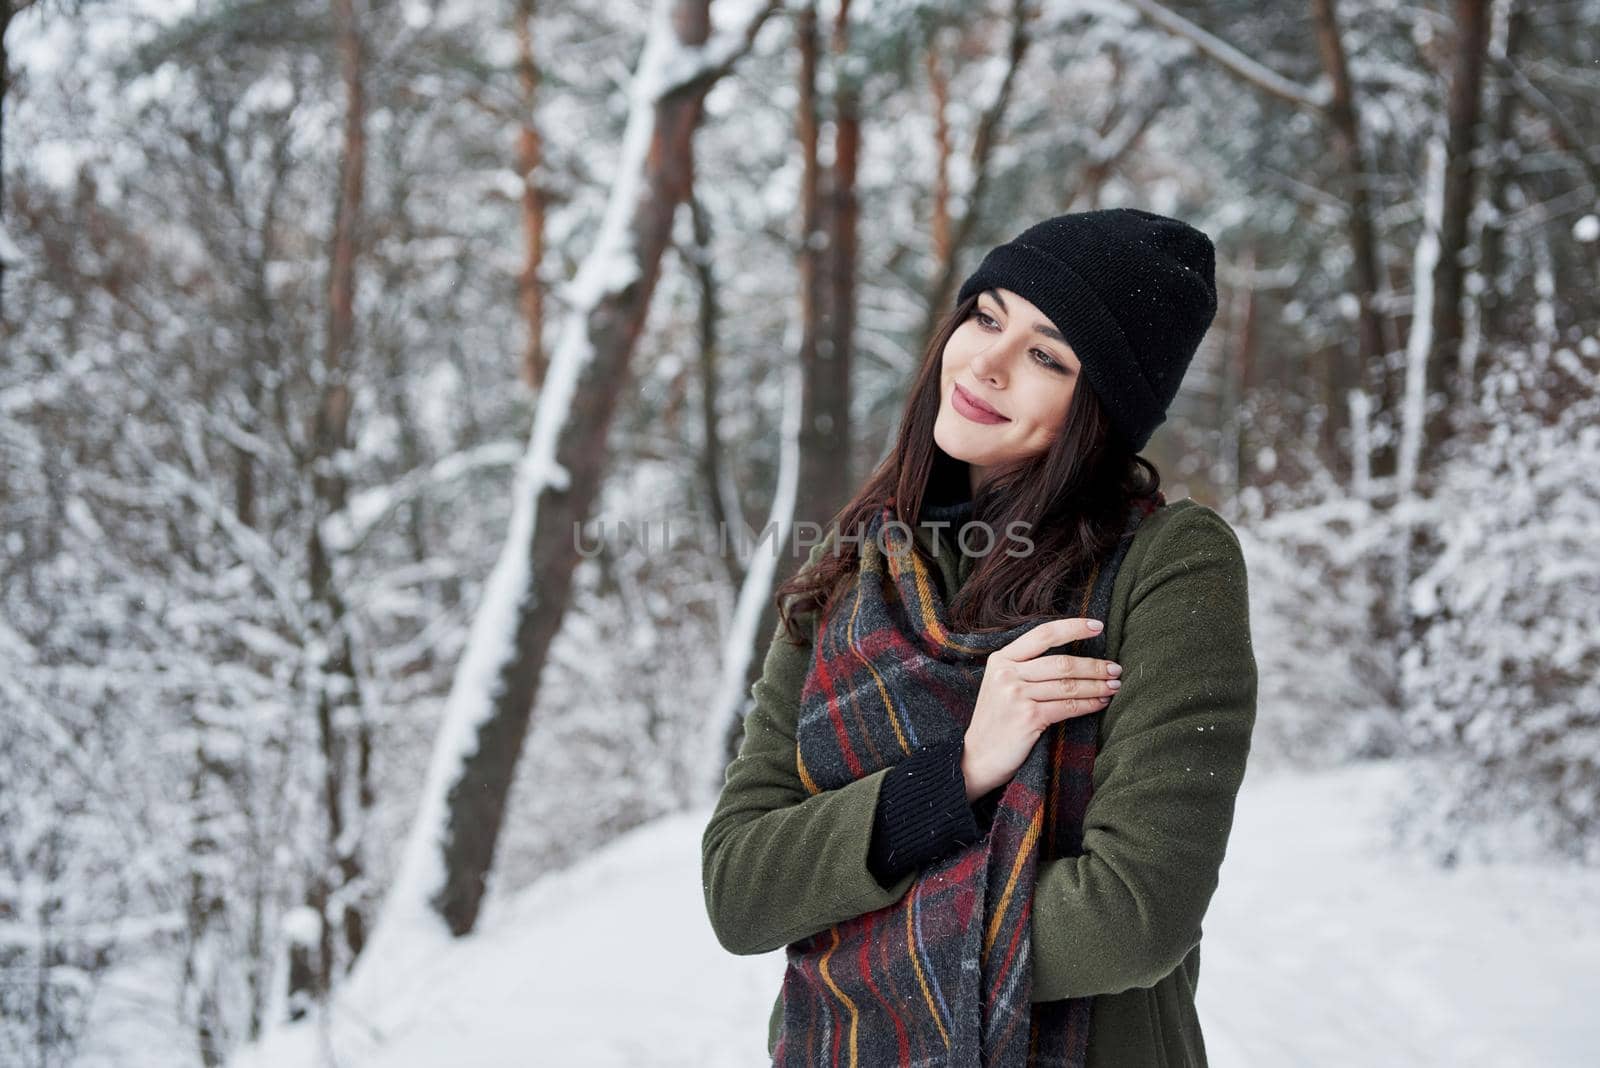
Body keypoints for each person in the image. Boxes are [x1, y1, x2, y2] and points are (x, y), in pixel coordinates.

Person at [701, 208, 1257, 1067]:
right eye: (987, 316)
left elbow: (1130, 921)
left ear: (1103, 407)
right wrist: (954, 775)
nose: (987, 363)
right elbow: (740, 890)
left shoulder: (1167, 564)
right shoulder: (850, 572)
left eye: (1046, 355)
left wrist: (834, 938)